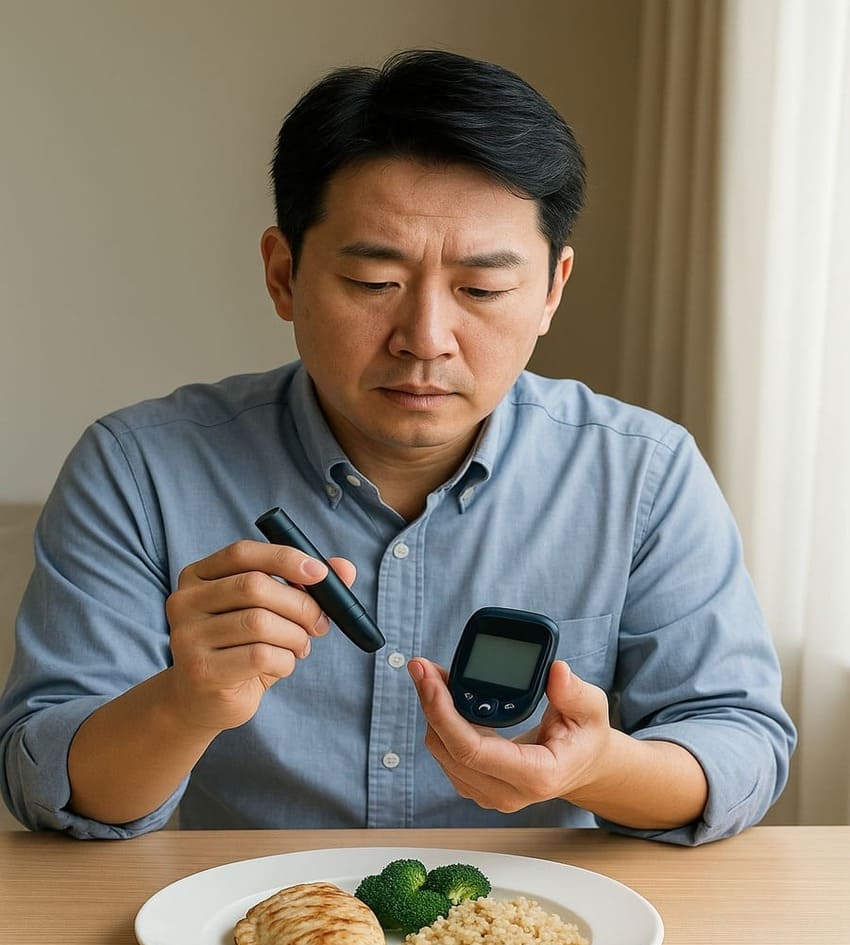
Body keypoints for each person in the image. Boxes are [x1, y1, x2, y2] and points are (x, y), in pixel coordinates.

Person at [0, 49, 795, 844]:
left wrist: (594, 769)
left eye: (482, 289)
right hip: (250, 914)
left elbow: (739, 744)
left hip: (534, 915)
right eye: (375, 283)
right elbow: (43, 781)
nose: (425, 338)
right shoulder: (139, 468)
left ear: (552, 289)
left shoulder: (642, 472)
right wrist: (185, 704)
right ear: (283, 275)